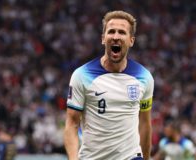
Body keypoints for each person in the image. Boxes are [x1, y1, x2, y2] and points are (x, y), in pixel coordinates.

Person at [64, 10, 154, 160]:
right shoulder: (82, 75)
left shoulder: (144, 77)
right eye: (111, 31)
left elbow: (145, 124)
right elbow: (72, 123)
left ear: (131, 40)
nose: (116, 37)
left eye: (122, 32)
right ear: (103, 39)